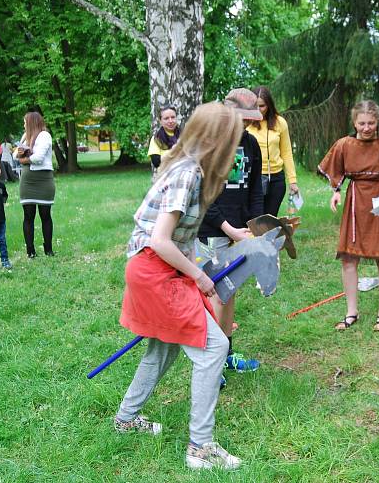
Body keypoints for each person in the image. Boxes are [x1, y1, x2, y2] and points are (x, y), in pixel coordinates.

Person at [114, 102, 244, 471]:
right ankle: (200, 448)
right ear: (217, 140)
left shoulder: (191, 169)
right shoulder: (188, 173)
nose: (235, 149)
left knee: (163, 350)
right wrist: (199, 276)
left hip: (156, 268)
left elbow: (177, 241)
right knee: (214, 347)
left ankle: (126, 419)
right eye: (233, 140)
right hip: (154, 269)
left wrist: (199, 266)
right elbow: (160, 240)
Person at [317, 100, 379, 332]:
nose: (366, 128)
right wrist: (336, 192)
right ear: (354, 122)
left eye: (371, 123)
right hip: (356, 204)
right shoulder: (345, 145)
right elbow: (336, 170)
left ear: (377, 122)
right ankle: (351, 312)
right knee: (349, 259)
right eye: (362, 123)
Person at [197, 88, 265, 384]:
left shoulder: (251, 145)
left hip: (239, 230)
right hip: (212, 230)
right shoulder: (211, 142)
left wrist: (256, 230)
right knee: (215, 295)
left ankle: (226, 353)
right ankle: (210, 361)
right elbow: (203, 196)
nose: (248, 125)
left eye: (252, 120)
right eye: (243, 119)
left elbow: (254, 193)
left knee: (230, 290)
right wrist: (228, 229)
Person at [247, 86, 299, 216]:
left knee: (269, 220)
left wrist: (293, 181)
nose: (258, 110)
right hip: (253, 178)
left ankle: (269, 237)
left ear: (269, 105)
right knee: (254, 219)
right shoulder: (246, 123)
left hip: (276, 180)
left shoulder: (280, 122)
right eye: (255, 106)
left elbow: (286, 152)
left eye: (262, 106)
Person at [17, 112, 55, 258]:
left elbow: (38, 158)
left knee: (45, 215)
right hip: (27, 181)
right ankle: (30, 251)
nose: (24, 125)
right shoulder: (25, 136)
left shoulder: (45, 135)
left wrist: (24, 159)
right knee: (28, 215)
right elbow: (16, 155)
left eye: (25, 122)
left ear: (32, 122)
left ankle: (48, 249)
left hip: (44, 180)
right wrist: (21, 153)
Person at [147, 105, 180, 173]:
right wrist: (173, 151)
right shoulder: (156, 139)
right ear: (160, 121)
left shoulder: (185, 136)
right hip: (166, 178)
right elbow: (156, 162)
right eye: (166, 118)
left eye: (173, 117)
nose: (170, 121)